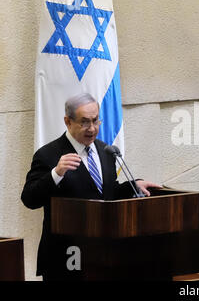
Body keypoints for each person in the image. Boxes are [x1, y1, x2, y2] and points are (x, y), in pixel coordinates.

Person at [21, 93, 161, 280]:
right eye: (85, 122)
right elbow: (29, 199)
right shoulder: (48, 154)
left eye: (96, 120)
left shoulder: (106, 151)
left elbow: (105, 195)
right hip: (66, 258)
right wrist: (56, 173)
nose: (92, 128)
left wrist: (132, 186)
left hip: (103, 255)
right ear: (68, 122)